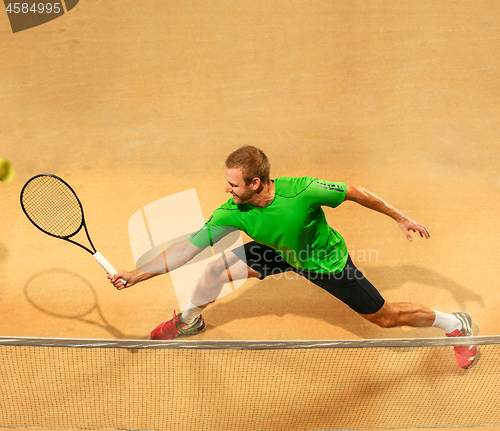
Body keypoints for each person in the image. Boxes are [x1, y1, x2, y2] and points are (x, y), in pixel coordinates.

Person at [109, 146, 477, 369]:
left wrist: (399, 216)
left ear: (256, 183)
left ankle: (455, 323)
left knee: (384, 317)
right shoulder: (232, 211)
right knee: (216, 269)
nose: (226, 189)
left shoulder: (301, 191)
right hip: (279, 251)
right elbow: (187, 248)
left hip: (323, 261)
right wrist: (136, 274)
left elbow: (355, 192)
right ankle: (190, 320)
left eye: (233, 184)